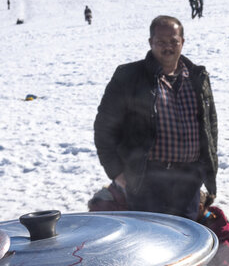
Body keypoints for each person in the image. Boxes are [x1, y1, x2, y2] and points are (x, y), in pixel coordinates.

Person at [93, 15, 218, 221]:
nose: (168, 47)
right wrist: (116, 172)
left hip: (188, 180)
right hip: (147, 180)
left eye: (173, 41)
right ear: (151, 43)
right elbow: (104, 127)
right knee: (150, 240)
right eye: (161, 42)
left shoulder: (197, 77)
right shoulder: (129, 76)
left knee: (185, 240)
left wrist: (206, 170)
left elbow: (209, 127)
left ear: (182, 42)